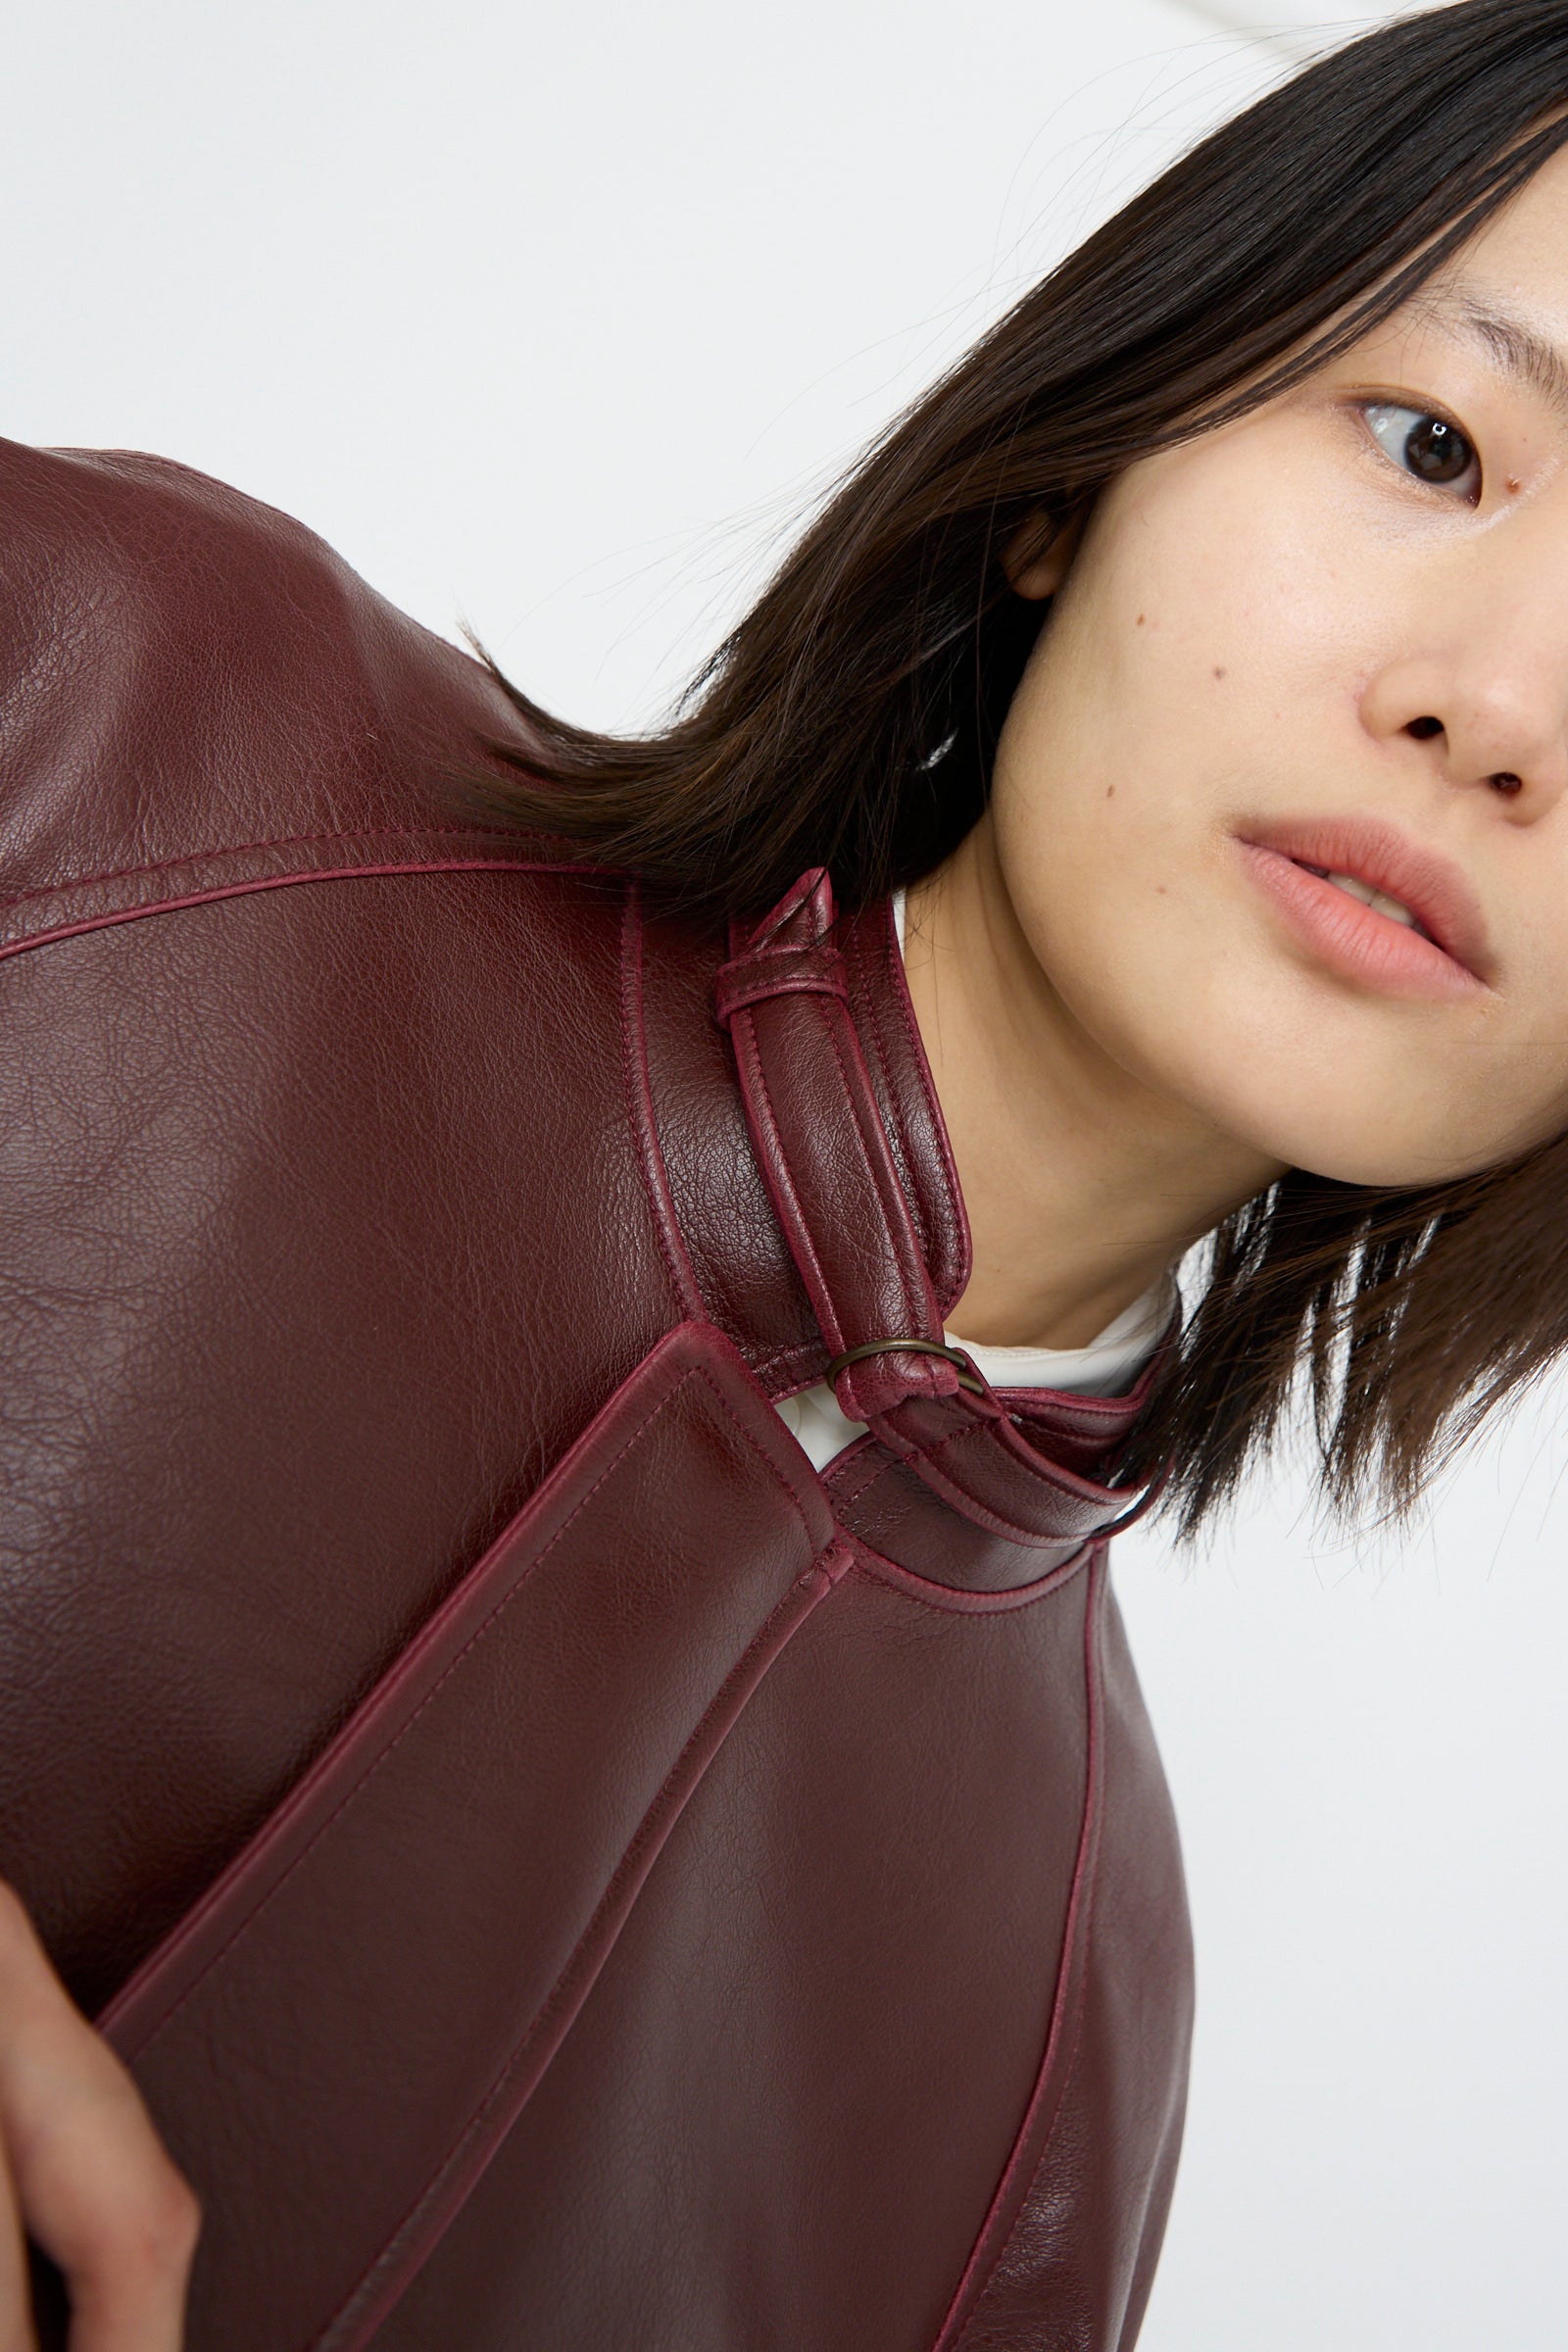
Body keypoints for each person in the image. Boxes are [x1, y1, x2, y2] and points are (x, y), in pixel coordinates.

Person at [5, 0, 1568, 2343]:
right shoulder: (111, 713)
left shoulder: (1051, 2105)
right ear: (1081, 461)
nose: (1501, 706)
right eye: (1431, 444)